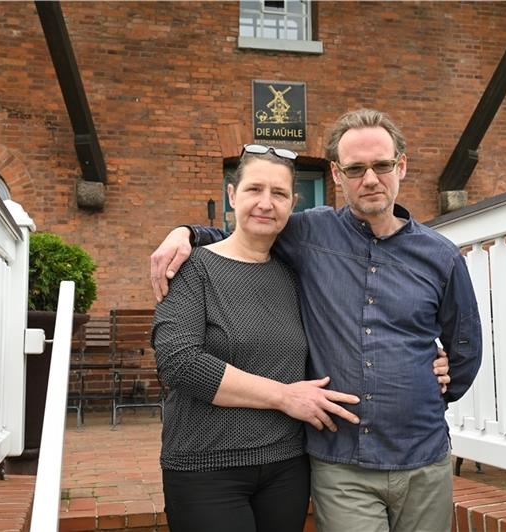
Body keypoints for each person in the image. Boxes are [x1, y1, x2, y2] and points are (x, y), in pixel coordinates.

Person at [152, 109, 482, 532]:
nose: (370, 179)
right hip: (338, 462)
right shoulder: (309, 234)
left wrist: (432, 382)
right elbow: (251, 230)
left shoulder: (441, 256)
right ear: (336, 173)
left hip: (422, 455)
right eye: (355, 168)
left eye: (381, 165)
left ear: (401, 165)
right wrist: (188, 233)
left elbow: (465, 345)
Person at [151, 144, 363, 532]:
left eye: (279, 194)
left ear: (292, 204)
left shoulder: (294, 273)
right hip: (206, 467)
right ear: (232, 196)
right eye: (254, 190)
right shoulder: (191, 268)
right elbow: (179, 362)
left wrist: (430, 354)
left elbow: (348, 321)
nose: (266, 203)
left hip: (286, 466)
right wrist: (285, 397)